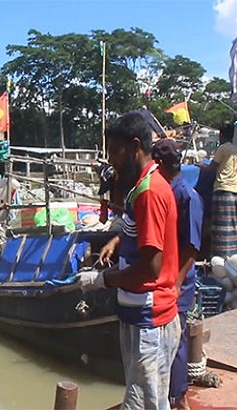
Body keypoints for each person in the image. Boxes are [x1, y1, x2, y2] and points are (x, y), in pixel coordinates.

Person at [80, 112, 180, 410]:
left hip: (149, 314)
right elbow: (146, 235)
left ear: (135, 146)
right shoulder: (147, 183)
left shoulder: (148, 192)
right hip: (143, 313)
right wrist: (119, 239)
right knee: (140, 396)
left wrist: (103, 279)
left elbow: (150, 266)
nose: (112, 161)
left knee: (147, 402)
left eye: (115, 152)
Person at [153, 139, 203, 410]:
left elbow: (192, 246)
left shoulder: (187, 196)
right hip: (164, 278)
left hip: (178, 281)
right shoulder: (165, 192)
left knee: (178, 338)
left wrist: (177, 281)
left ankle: (180, 396)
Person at [203, 124, 237, 257]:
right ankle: (233, 255)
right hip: (235, 190)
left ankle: (221, 257)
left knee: (220, 227)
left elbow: (211, 168)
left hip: (222, 189)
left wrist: (200, 165)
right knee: (232, 225)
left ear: (221, 135)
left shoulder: (223, 148)